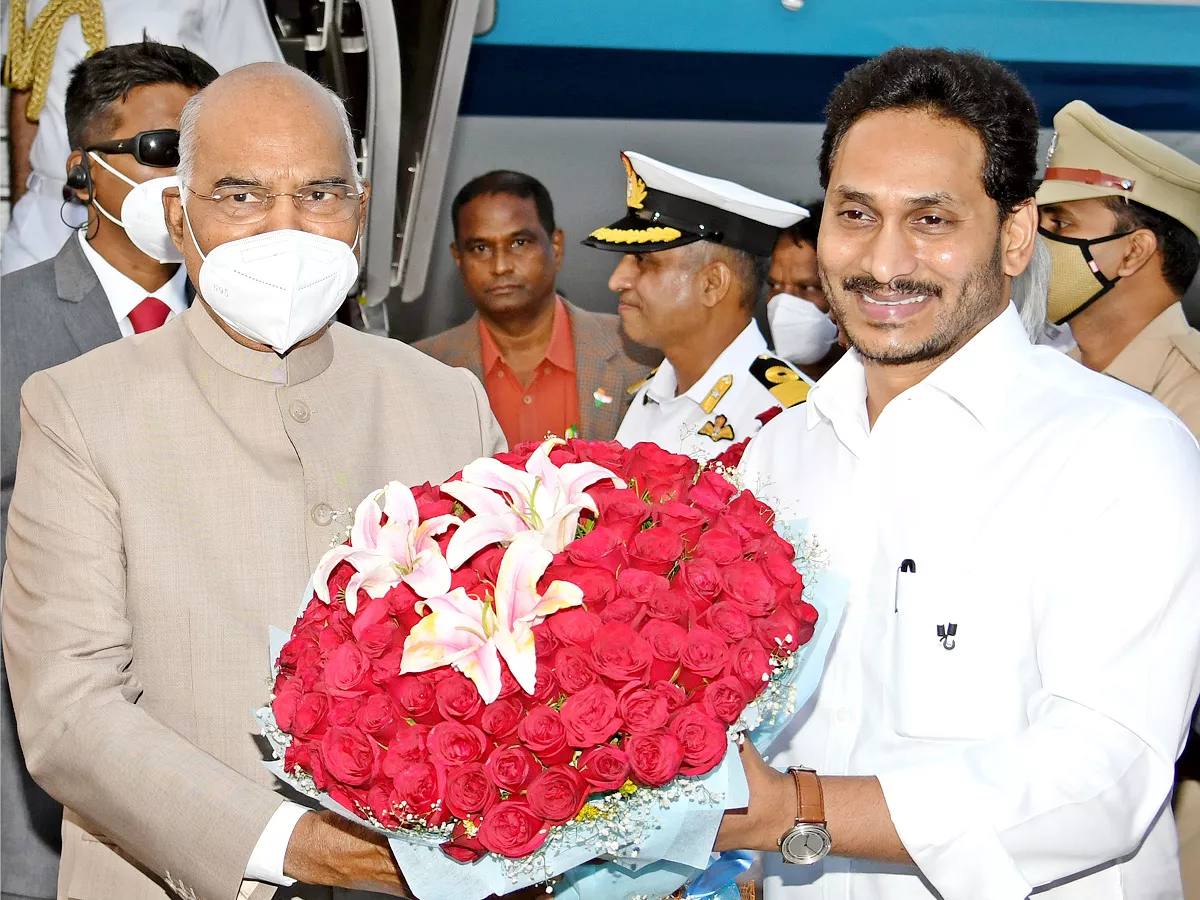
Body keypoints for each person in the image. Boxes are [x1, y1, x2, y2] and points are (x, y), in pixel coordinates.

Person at [2, 62, 506, 900]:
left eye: (319, 194)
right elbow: (69, 711)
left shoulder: (446, 401)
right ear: (177, 214)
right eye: (240, 197)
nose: (286, 228)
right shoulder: (78, 407)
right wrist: (297, 845)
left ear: (362, 208)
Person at [716, 47, 1200, 899]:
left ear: (1014, 236)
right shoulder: (779, 455)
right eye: (856, 213)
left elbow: (1104, 777)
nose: (885, 261)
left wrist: (799, 808)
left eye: (932, 221)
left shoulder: (1119, 451)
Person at [0, 38, 217, 900]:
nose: (188, 178)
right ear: (85, 169)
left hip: (234, 795)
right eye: (164, 151)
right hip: (47, 802)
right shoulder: (10, 329)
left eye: (206, 155)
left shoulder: (273, 333)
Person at [1, 0, 282, 275]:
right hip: (47, 212)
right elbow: (27, 88)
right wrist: (23, 203)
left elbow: (260, 96)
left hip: (161, 217)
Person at [584, 151, 811, 460]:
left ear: (712, 284)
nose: (617, 280)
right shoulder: (649, 397)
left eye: (643, 260)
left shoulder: (793, 419)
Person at [416, 170, 658, 445]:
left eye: (519, 243)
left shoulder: (641, 353)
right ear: (458, 258)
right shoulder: (419, 368)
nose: (501, 266)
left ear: (555, 246)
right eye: (480, 248)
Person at [1037, 100, 1200, 438]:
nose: (1032, 242)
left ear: (1133, 252)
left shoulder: (1190, 394)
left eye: (1061, 223)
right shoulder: (1047, 379)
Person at [766, 199, 844, 379]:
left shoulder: (879, 392)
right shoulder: (754, 384)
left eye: (807, 287)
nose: (784, 303)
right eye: (774, 286)